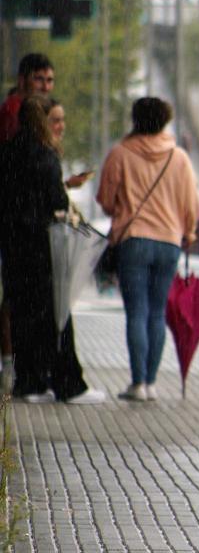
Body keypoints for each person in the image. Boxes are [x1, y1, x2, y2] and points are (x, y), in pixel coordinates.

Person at [0, 94, 105, 404]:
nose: (61, 126)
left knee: (22, 313)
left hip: (14, 245)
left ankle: (29, 381)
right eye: (55, 120)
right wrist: (63, 188)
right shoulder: (45, 156)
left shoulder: (9, 150)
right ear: (41, 122)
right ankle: (68, 382)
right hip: (41, 246)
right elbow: (55, 202)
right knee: (56, 313)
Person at [97, 97, 199, 403]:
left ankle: (138, 382)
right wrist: (189, 231)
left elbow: (105, 199)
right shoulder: (178, 158)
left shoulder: (120, 154)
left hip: (134, 241)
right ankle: (151, 383)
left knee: (136, 312)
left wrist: (123, 207)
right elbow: (191, 203)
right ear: (165, 121)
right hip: (169, 242)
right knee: (157, 313)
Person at [0, 52, 55, 392]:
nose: (45, 87)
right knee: (20, 298)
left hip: (20, 221)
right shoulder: (14, 116)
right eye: (39, 79)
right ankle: (16, 365)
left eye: (49, 81)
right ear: (23, 80)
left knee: (19, 297)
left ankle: (21, 367)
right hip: (20, 225)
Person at [47, 100, 94, 190]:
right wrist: (68, 185)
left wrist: (69, 184)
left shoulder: (49, 153)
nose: (62, 126)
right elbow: (50, 198)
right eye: (56, 121)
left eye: (62, 120)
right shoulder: (43, 156)